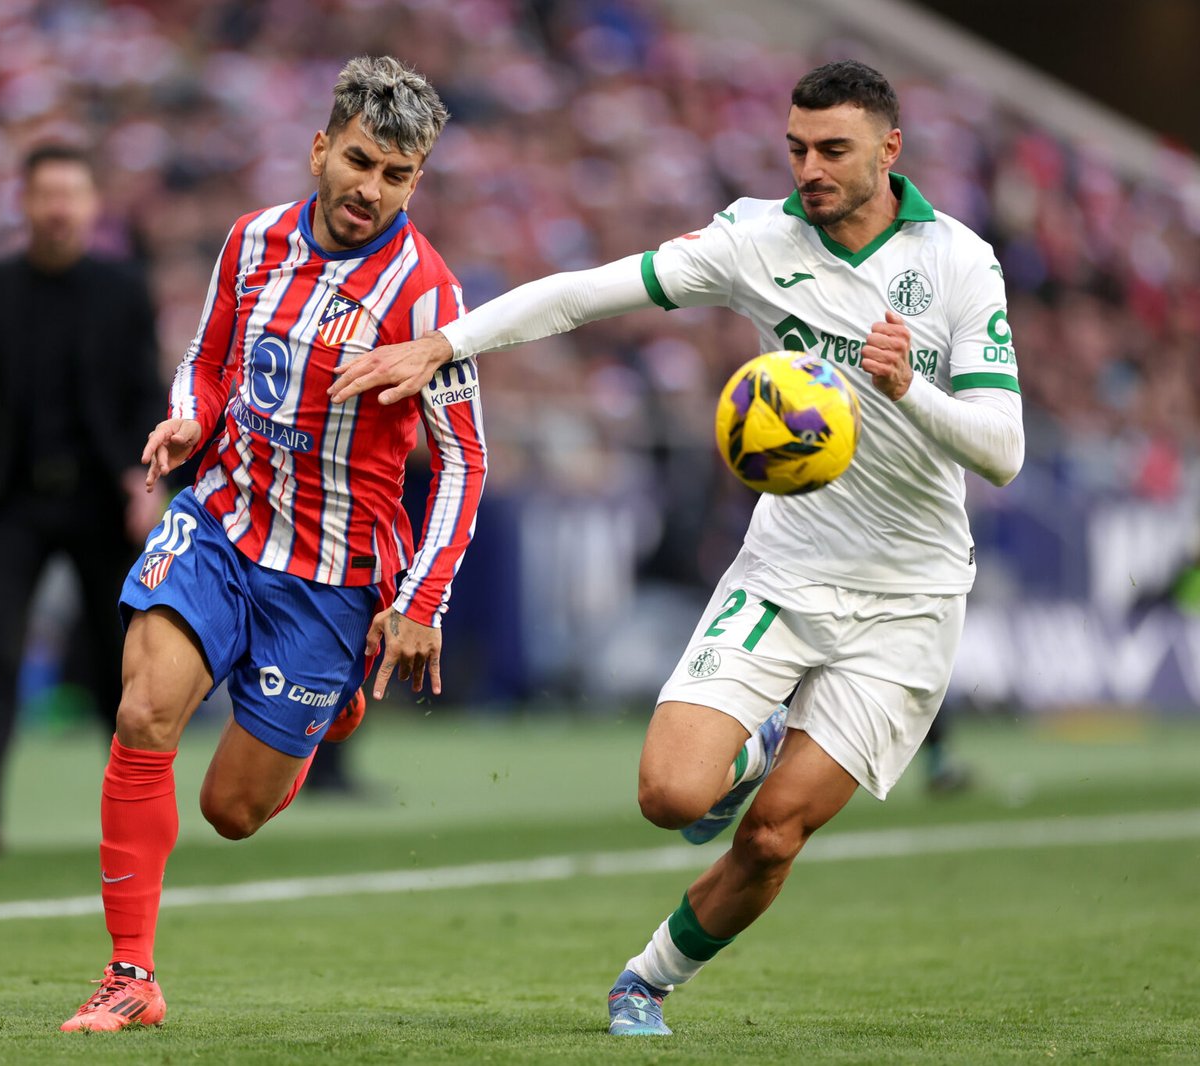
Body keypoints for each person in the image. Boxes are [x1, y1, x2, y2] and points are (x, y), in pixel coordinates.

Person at [330, 59, 1023, 1036]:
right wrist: (446, 344)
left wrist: (912, 388)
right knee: (670, 793)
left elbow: (1003, 449)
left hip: (909, 599)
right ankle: (759, 741)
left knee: (774, 835)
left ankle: (643, 981)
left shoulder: (956, 261)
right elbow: (584, 294)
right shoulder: (755, 240)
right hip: (786, 570)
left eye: (833, 150)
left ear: (888, 152)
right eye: (796, 149)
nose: (810, 168)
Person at [58, 55, 486, 1033]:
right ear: (320, 148)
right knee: (142, 712)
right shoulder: (253, 241)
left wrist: (419, 601)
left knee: (231, 811)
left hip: (330, 580)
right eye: (361, 162)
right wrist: (183, 421)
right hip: (218, 520)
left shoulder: (428, 299)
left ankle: (324, 710)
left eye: (398, 175)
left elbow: (463, 461)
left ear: (417, 181)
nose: (372, 190)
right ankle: (130, 975)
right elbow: (208, 363)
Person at [0, 143, 166, 855]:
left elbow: (148, 392)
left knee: (124, 663)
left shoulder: (122, 290)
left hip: (102, 504)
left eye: (70, 194)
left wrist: (149, 480)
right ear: (24, 203)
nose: (57, 208)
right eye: (45, 194)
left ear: (91, 205)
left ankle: (137, 827)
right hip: (14, 502)